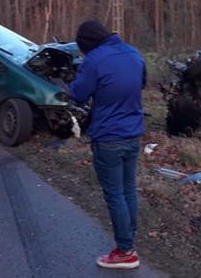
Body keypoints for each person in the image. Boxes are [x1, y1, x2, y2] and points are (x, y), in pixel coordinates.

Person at [69, 20, 147, 269]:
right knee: (127, 189)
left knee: (115, 194)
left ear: (87, 44)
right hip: (134, 134)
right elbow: (141, 83)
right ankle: (129, 240)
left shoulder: (94, 60)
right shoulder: (134, 53)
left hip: (108, 136)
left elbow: (78, 94)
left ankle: (125, 251)